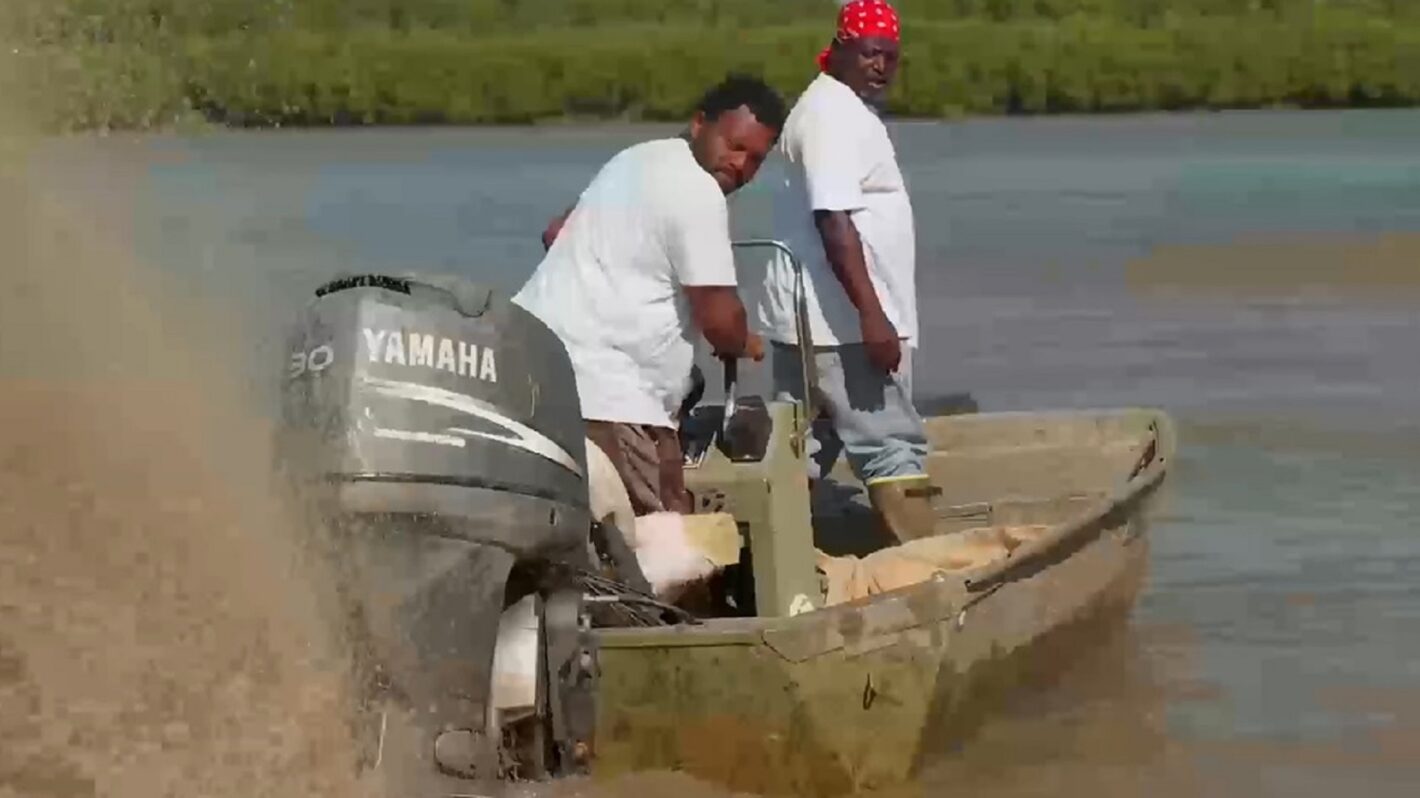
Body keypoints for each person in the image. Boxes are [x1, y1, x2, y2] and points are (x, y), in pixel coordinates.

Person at [513, 74, 786, 516]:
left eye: (755, 159)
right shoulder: (699, 193)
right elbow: (721, 323)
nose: (740, 165)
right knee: (667, 536)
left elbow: (555, 233)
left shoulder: (635, 158)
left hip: (529, 367)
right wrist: (746, 342)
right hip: (609, 395)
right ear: (700, 124)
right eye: (734, 146)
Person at [757, 0, 937, 542]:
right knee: (892, 446)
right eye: (869, 53)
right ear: (838, 49)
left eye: (890, 57)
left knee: (802, 452)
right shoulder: (833, 116)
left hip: (811, 319)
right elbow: (834, 220)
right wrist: (873, 318)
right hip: (842, 323)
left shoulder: (834, 108)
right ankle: (931, 578)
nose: (880, 66)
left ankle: (767, 564)